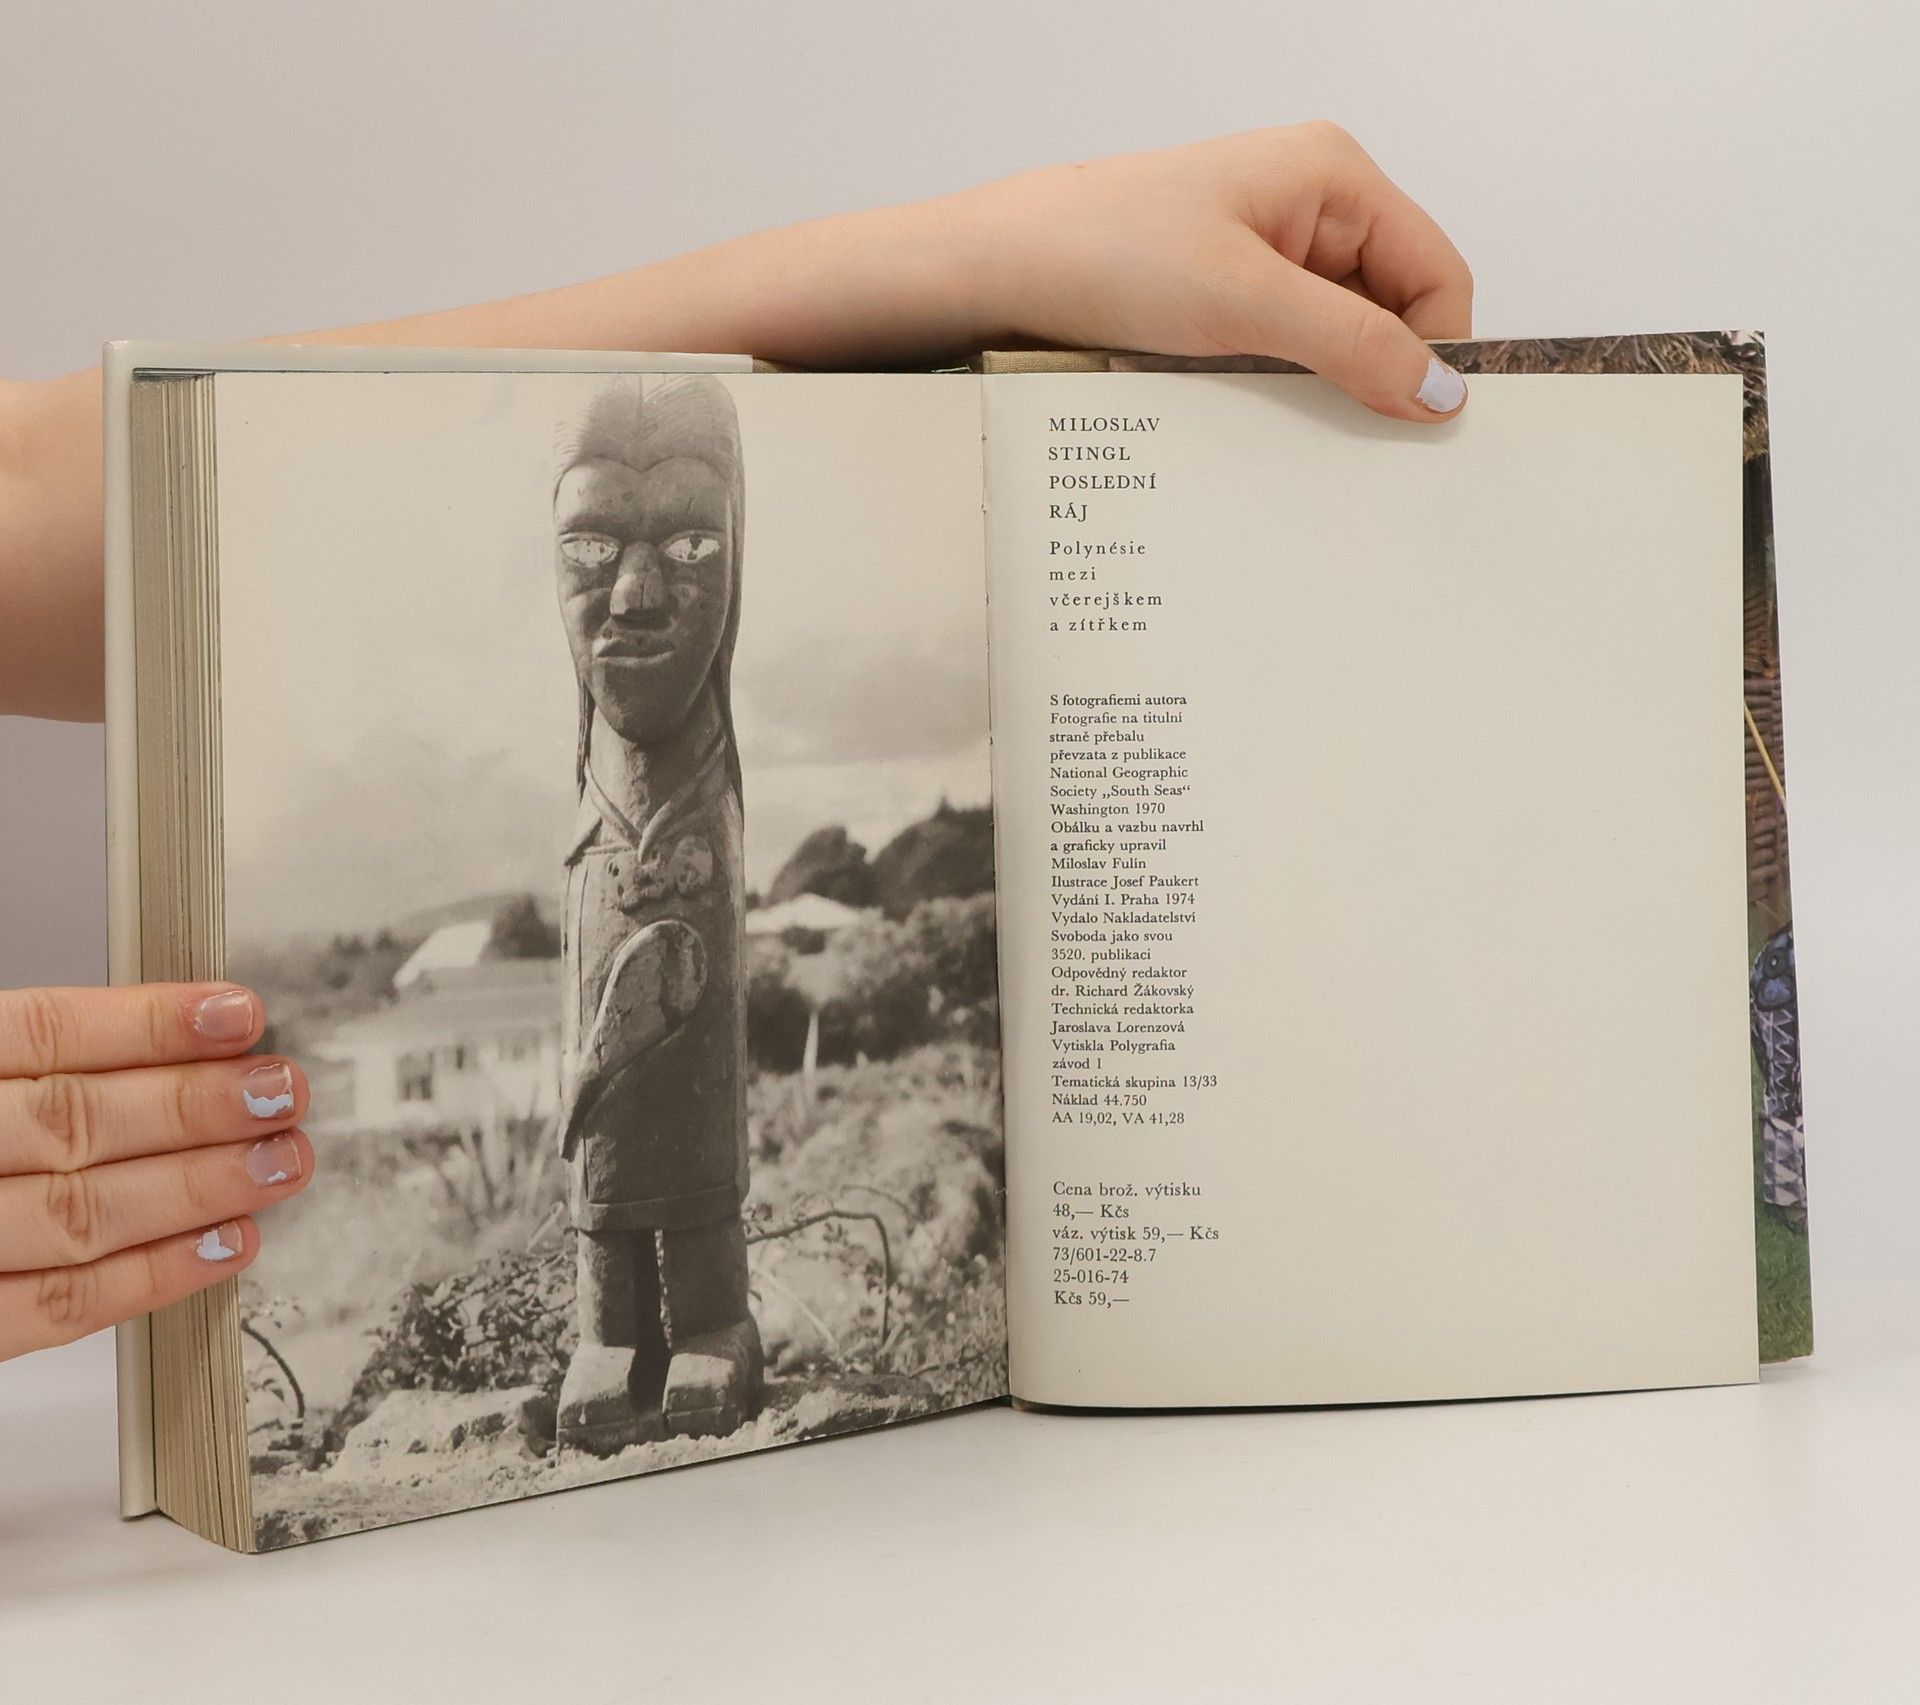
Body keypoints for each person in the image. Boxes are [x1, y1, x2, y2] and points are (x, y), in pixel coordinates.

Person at [0, 121, 1471, 1364]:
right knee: (610, 1187)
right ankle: (608, 1332)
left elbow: (52, 482)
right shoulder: (582, 782)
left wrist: (984, 263)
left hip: (699, 1088)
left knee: (698, 1166)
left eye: (693, 545)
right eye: (592, 549)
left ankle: (707, 1322)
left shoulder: (714, 777)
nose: (637, 597)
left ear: (742, 562)